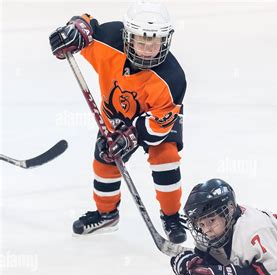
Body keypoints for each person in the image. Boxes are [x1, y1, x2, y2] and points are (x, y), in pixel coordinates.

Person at [49, 1, 187, 243]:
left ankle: (172, 216)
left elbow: (158, 124)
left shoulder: (172, 78)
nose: (146, 49)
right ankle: (106, 214)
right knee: (105, 159)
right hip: (115, 116)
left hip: (157, 120)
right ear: (128, 35)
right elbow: (85, 24)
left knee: (165, 156)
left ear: (165, 40)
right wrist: (73, 32)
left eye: (153, 42)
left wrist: (132, 137)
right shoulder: (110, 39)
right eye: (141, 41)